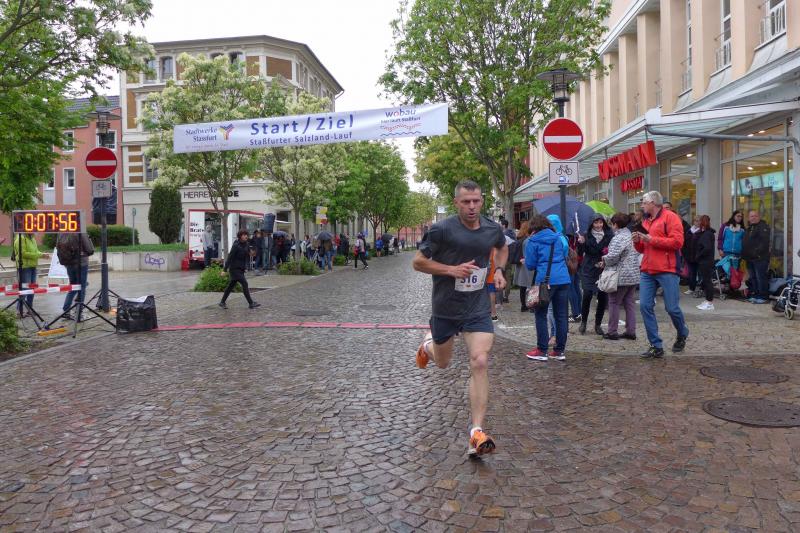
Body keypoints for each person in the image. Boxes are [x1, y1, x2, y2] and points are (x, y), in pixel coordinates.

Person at [413, 179, 508, 457]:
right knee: (442, 363)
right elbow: (418, 262)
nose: (472, 206)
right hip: (445, 307)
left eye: (476, 201)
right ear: (456, 203)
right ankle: (427, 346)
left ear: (482, 201)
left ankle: (476, 432)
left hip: (476, 308)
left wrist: (499, 270)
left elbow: (502, 247)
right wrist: (451, 270)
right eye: (466, 202)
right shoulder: (441, 230)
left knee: (480, 360)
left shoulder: (492, 228)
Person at [633, 191, 689, 358]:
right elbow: (643, 248)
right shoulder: (646, 220)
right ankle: (656, 345)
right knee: (645, 306)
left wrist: (651, 239)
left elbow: (678, 242)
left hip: (667, 269)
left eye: (644, 202)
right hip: (647, 269)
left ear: (653, 203)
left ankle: (682, 332)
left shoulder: (671, 217)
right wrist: (637, 242)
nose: (642, 205)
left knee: (671, 308)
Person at [524, 215, 570, 362]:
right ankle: (559, 350)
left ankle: (542, 350)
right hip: (563, 278)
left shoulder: (533, 241)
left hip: (545, 281)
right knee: (561, 316)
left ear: (533, 227)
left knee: (540, 314)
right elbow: (564, 255)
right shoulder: (558, 238)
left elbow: (530, 265)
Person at [601, 213, 639, 340]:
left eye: (612, 224)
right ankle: (631, 331)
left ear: (616, 225)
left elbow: (613, 257)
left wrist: (604, 259)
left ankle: (612, 331)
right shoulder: (631, 236)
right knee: (629, 303)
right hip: (633, 274)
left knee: (614, 302)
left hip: (621, 275)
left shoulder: (618, 238)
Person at [576, 213, 613, 335]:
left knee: (602, 297)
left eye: (600, 222)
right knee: (587, 295)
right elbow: (580, 253)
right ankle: (583, 322)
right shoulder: (586, 235)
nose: (598, 225)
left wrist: (606, 260)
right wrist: (581, 243)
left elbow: (612, 251)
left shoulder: (609, 235)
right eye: (596, 222)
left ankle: (598, 324)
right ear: (592, 223)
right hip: (588, 268)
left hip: (603, 268)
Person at [56, 231, 94, 321]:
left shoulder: (61, 232)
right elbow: (89, 249)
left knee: (72, 286)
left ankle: (66, 310)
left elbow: (58, 247)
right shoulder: (80, 230)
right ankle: (79, 312)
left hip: (68, 262)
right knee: (81, 287)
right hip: (81, 263)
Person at [219, 230, 261, 309]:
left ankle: (222, 302)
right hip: (234, 269)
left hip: (241, 269)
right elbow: (230, 257)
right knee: (244, 283)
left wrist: (254, 250)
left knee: (231, 286)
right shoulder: (236, 245)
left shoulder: (246, 244)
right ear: (240, 236)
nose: (246, 236)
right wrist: (224, 270)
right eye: (244, 235)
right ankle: (251, 303)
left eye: (246, 235)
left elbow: (251, 254)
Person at [13, 232, 46, 317]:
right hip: (25, 267)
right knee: (25, 289)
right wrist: (39, 255)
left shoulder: (32, 238)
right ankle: (19, 310)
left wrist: (42, 254)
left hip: (33, 266)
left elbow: (35, 251)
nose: (35, 231)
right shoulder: (20, 238)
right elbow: (23, 253)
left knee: (32, 289)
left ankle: (29, 310)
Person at [741, 210, 771, 304]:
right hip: (750, 258)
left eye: (755, 216)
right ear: (748, 218)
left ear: (759, 217)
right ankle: (756, 295)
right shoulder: (749, 228)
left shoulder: (763, 227)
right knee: (753, 278)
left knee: (760, 277)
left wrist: (756, 253)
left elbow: (764, 243)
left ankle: (763, 297)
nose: (753, 218)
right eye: (751, 216)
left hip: (760, 258)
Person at [694, 215, 716, 310]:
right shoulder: (707, 233)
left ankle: (709, 302)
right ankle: (708, 300)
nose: (697, 223)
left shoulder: (707, 234)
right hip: (706, 261)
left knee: (707, 282)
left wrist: (698, 256)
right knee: (706, 281)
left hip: (706, 261)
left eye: (699, 221)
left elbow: (707, 248)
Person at [512, 221, 533, 312]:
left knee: (522, 287)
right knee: (530, 285)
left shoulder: (519, 238)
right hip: (526, 265)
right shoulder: (528, 240)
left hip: (520, 265)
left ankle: (523, 305)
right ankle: (530, 305)